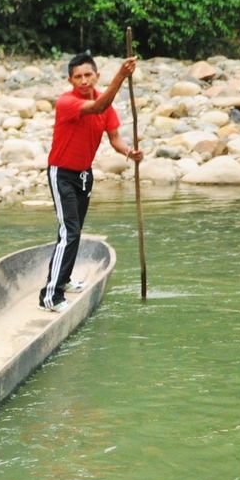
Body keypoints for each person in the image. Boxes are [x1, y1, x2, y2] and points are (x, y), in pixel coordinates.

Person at [38, 52, 143, 312]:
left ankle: (64, 278)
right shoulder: (67, 102)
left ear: (96, 76)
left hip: (84, 175)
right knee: (69, 231)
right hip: (61, 173)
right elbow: (97, 107)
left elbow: (115, 139)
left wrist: (130, 152)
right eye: (78, 77)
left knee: (73, 230)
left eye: (88, 75)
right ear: (70, 80)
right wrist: (121, 76)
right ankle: (50, 296)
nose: (84, 81)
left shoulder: (106, 107)